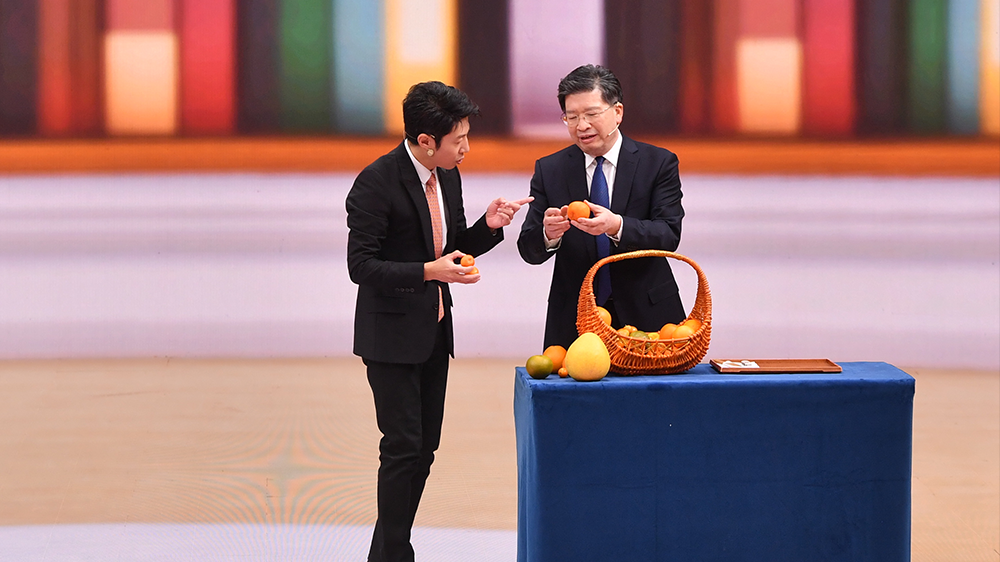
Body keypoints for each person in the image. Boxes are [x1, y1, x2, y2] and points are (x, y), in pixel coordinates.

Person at [346, 81, 530, 562]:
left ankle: (386, 553)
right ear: (426, 141)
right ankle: (395, 554)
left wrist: (489, 226)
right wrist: (430, 272)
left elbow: (452, 248)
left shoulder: (446, 175)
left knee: (424, 448)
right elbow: (361, 267)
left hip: (433, 330)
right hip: (390, 337)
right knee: (402, 447)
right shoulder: (375, 182)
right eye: (458, 139)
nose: (466, 148)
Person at [517, 64, 686, 348]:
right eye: (571, 117)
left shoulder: (658, 163)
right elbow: (528, 250)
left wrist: (617, 226)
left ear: (617, 112)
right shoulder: (550, 169)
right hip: (575, 317)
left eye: (591, 114)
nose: (581, 125)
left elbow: (668, 235)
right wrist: (549, 235)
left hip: (648, 313)